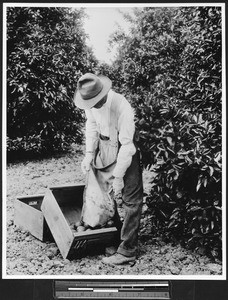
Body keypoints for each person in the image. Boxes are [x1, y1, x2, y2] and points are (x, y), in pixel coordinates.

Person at [73, 72, 143, 265]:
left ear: (103, 93)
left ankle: (128, 250)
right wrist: (88, 154)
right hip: (104, 146)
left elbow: (127, 146)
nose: (92, 106)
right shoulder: (90, 102)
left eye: (95, 102)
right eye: (89, 104)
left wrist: (119, 176)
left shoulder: (122, 106)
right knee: (105, 196)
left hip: (124, 148)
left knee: (131, 200)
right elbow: (92, 125)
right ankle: (116, 239)